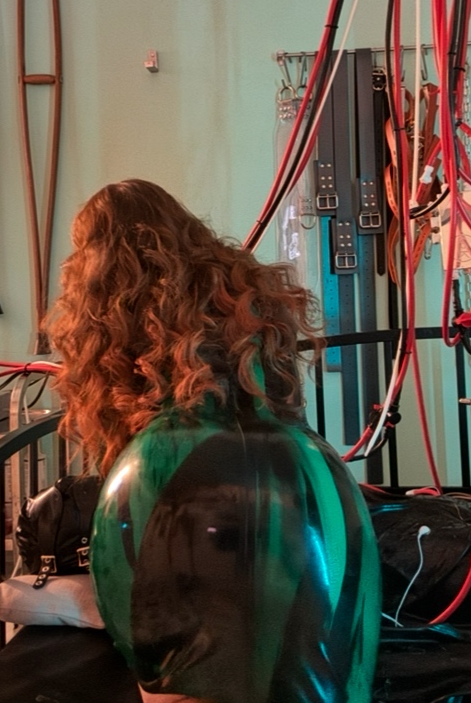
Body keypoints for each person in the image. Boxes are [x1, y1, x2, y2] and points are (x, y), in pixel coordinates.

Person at [46, 179, 380, 703]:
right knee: (308, 673)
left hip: (177, 487)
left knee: (182, 683)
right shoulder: (244, 293)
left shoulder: (117, 327)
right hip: (303, 478)